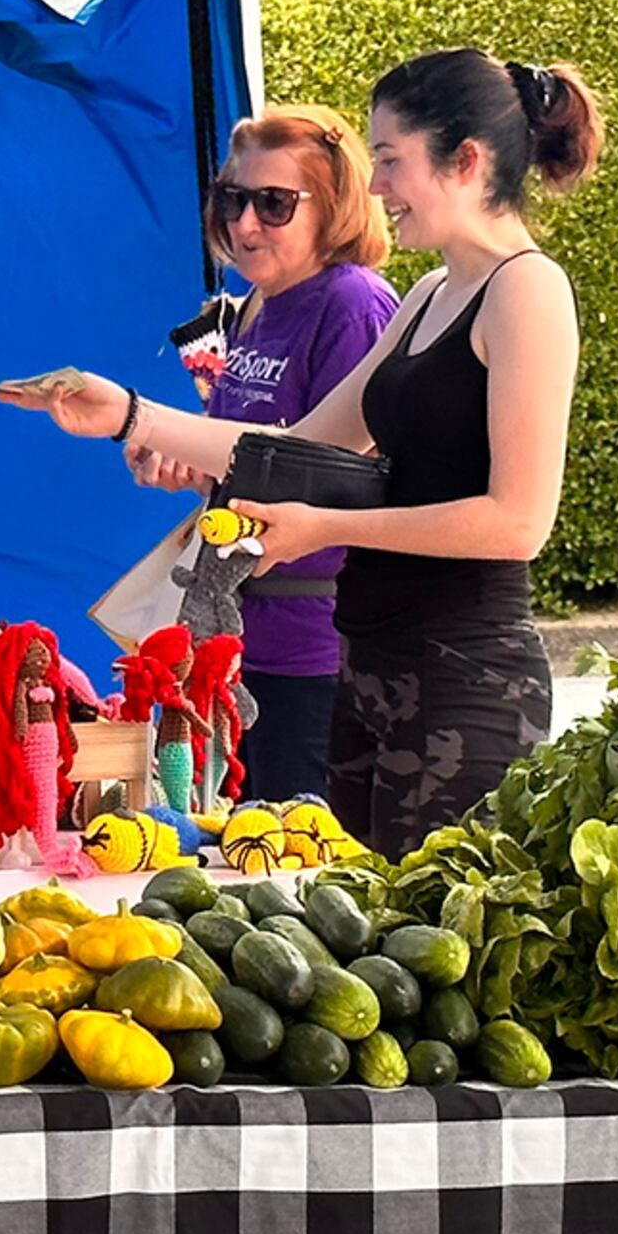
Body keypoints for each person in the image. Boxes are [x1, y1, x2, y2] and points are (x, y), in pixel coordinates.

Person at [15, 49, 598, 857]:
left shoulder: (528, 290)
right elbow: (300, 444)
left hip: (466, 681)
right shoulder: (430, 295)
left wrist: (325, 528)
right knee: (346, 920)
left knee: (421, 925)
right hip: (369, 667)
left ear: (465, 160)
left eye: (391, 160)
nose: (378, 187)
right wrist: (131, 416)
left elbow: (517, 524)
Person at [154, 111, 397, 800]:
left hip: (315, 652)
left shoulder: (353, 304)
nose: (245, 224)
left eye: (274, 203)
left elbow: (341, 471)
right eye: (232, 199)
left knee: (296, 852)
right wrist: (178, 462)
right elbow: (244, 459)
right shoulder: (259, 304)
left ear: (336, 205)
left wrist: (136, 418)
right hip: (234, 640)